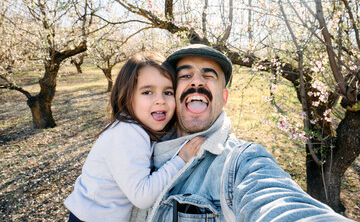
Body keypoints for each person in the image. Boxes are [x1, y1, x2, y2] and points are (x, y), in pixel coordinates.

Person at [129, 44, 354, 221]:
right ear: (170, 92)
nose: (196, 81)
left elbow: (277, 202)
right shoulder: (137, 146)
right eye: (185, 76)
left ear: (224, 97)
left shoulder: (241, 162)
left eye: (209, 75)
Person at [64, 52, 205, 222]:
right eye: (147, 92)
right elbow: (142, 196)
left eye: (168, 92)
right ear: (127, 96)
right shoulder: (126, 133)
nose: (160, 100)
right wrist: (181, 159)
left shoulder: (139, 129)